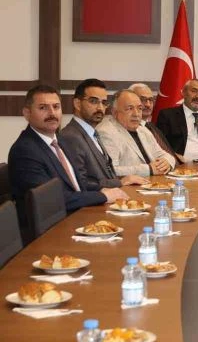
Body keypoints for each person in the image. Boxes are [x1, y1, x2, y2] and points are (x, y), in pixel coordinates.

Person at [8, 84, 128, 238]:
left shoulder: (60, 141)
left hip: (76, 217)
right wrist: (103, 196)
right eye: (43, 108)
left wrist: (103, 190)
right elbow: (51, 200)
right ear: (27, 113)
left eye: (56, 107)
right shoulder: (25, 151)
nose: (52, 113)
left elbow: (77, 184)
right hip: (49, 234)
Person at [59, 79, 147, 190]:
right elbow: (80, 182)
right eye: (93, 101)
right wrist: (120, 182)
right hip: (96, 200)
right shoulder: (70, 136)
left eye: (104, 103)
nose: (100, 108)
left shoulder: (92, 132)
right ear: (77, 104)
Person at [96, 90, 176, 177]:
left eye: (140, 108)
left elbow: (164, 155)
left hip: (154, 182)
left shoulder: (143, 130)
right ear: (114, 112)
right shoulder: (106, 132)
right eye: (130, 108)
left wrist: (167, 162)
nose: (136, 114)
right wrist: (149, 169)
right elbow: (110, 170)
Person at [129, 82, 177, 158]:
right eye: (143, 100)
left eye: (151, 100)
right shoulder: (130, 129)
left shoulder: (152, 126)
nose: (148, 105)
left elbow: (165, 151)